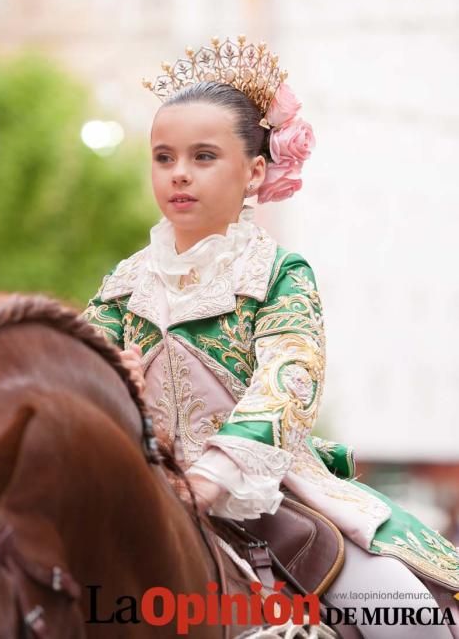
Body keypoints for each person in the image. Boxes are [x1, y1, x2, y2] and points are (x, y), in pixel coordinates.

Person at [82, 36, 459, 637]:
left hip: (265, 494)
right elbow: (78, 373)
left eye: (204, 156)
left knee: (409, 618)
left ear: (255, 170)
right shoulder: (123, 285)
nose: (179, 173)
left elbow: (289, 380)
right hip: (142, 494)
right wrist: (108, 378)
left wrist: (212, 478)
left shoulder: (279, 274)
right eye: (164, 157)